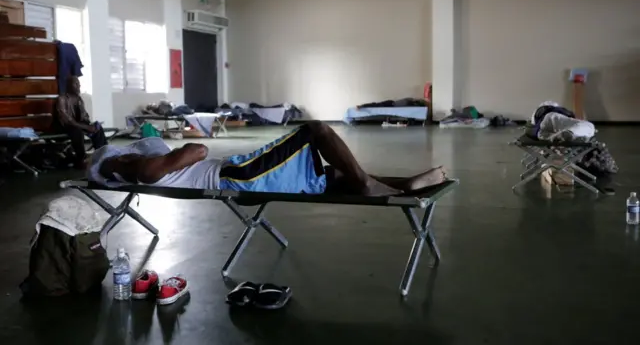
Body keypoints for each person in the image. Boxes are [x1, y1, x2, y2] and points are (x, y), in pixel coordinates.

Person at [89, 121, 447, 196]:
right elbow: (198, 150)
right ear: (117, 163)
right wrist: (166, 150)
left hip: (244, 178)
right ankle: (369, 184)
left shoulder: (136, 171)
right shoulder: (145, 168)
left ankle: (405, 187)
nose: (128, 152)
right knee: (316, 130)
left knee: (335, 178)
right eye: (122, 153)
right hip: (240, 177)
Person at [54, 76, 109, 168]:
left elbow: (84, 116)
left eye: (79, 84)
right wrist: (86, 127)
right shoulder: (61, 99)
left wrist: (91, 125)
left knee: (97, 128)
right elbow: (66, 120)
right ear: (68, 86)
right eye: (75, 84)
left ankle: (103, 155)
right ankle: (81, 159)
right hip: (63, 127)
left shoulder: (79, 99)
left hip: (76, 125)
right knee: (77, 131)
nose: (78, 86)